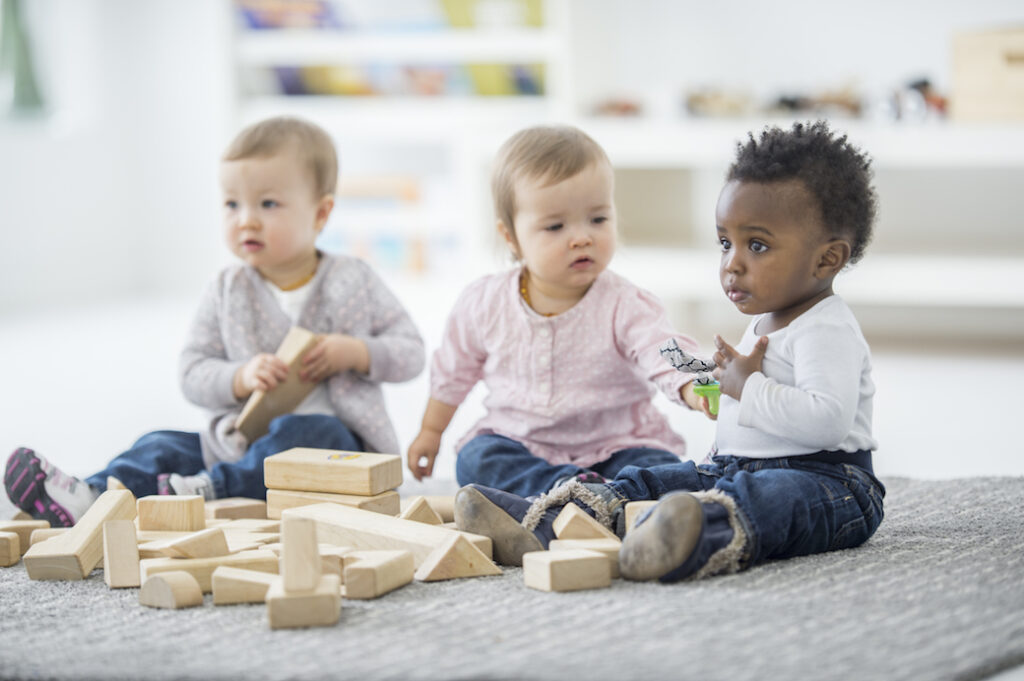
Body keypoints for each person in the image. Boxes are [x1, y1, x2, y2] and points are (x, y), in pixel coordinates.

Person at [454, 120, 886, 574]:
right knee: (656, 480)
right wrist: (711, 381)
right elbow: (698, 372)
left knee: (769, 498)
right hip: (737, 469)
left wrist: (747, 386)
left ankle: (690, 535)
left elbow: (828, 423)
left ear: (827, 258)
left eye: (756, 245)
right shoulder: (770, 315)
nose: (731, 264)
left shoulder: (826, 328)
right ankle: (555, 520)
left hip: (831, 482)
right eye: (725, 243)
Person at [5, 116, 425, 527]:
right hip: (235, 439)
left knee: (309, 432)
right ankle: (90, 495)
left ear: (320, 214)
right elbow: (192, 371)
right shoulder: (226, 289)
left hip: (337, 450)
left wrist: (357, 352)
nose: (246, 219)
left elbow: (412, 352)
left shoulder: (354, 280)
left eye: (268, 203)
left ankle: (211, 489)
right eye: (231, 204)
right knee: (160, 444)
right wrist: (239, 377)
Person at [406, 125, 709, 500]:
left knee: (656, 465)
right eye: (555, 226)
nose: (582, 237)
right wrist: (431, 432)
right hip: (521, 443)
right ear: (511, 238)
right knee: (476, 460)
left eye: (598, 219)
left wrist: (694, 385)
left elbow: (662, 350)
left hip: (618, 444)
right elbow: (452, 372)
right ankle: (577, 493)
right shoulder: (484, 303)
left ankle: (588, 499)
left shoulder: (626, 303)